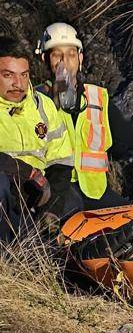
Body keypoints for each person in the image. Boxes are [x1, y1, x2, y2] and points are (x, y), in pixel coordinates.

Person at [35, 21, 133, 207]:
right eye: (57, 55)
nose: (65, 62)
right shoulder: (35, 101)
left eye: (71, 54)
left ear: (80, 59)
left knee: (132, 219)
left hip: (95, 193)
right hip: (56, 194)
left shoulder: (97, 98)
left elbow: (130, 138)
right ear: (45, 59)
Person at [0, 36, 79, 240]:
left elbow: (61, 163)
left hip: (37, 195)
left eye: (24, 75)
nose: (18, 84)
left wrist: (50, 210)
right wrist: (28, 174)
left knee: (72, 201)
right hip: (10, 191)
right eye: (8, 75)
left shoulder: (42, 105)